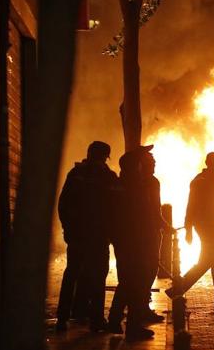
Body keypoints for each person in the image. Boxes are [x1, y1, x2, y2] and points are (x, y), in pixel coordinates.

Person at [107, 145, 169, 340]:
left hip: (128, 240)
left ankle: (115, 319)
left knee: (129, 281)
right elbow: (144, 214)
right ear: (137, 165)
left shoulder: (124, 182)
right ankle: (132, 328)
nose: (150, 163)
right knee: (136, 281)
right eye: (145, 160)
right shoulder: (135, 185)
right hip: (136, 241)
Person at [56, 141, 117, 332]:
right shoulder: (108, 177)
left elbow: (63, 205)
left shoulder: (76, 175)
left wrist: (68, 230)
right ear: (104, 157)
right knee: (97, 277)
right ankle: (96, 319)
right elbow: (114, 210)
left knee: (72, 274)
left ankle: (63, 318)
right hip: (97, 237)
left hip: (79, 236)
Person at [165, 152, 214, 309]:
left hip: (212, 225)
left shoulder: (213, 179)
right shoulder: (200, 181)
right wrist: (189, 227)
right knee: (209, 261)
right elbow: (191, 204)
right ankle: (178, 289)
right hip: (205, 226)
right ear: (208, 162)